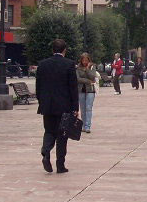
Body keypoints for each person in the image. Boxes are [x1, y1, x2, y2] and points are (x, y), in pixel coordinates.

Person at [35, 38, 79, 174]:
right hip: (64, 106)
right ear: (64, 50)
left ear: (52, 50)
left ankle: (46, 151)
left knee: (49, 131)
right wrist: (75, 107)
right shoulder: (69, 64)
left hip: (47, 106)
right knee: (62, 135)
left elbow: (38, 86)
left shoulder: (42, 64)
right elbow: (73, 87)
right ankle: (60, 165)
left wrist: (41, 101)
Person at [76, 52, 99, 134]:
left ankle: (87, 126)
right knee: (82, 108)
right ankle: (83, 125)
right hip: (81, 89)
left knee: (88, 107)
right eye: (83, 60)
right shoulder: (78, 67)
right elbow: (78, 79)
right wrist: (88, 81)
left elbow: (93, 76)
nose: (85, 62)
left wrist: (87, 69)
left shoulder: (92, 66)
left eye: (86, 60)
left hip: (90, 90)